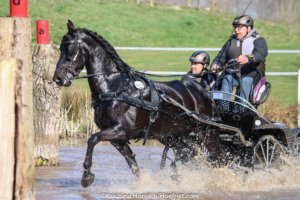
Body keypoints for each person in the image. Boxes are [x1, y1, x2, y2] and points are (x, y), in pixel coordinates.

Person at [211, 15, 268, 101]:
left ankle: (242, 108)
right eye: (235, 28)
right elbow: (220, 57)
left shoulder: (258, 40)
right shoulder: (230, 42)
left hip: (251, 75)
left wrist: (248, 58)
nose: (236, 30)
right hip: (232, 74)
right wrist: (216, 64)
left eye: (239, 28)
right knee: (227, 78)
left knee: (245, 81)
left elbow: (260, 54)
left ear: (249, 28)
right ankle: (224, 107)